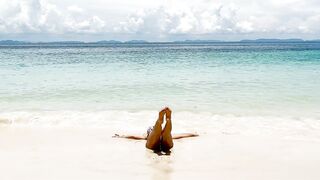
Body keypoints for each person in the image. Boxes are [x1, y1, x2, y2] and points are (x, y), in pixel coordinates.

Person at [113, 107, 198, 152]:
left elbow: (134, 136)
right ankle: (168, 120)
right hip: (166, 144)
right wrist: (193, 134)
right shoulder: (163, 134)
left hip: (152, 146)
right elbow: (181, 135)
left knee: (162, 134)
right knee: (168, 133)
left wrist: (122, 136)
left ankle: (159, 122)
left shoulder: (146, 136)